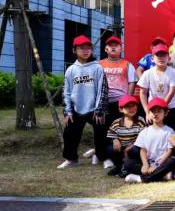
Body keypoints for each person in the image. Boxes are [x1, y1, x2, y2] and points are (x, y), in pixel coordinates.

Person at [57, 35, 111, 170]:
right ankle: (71, 159)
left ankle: (104, 157)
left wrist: (99, 110)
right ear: (74, 50)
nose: (86, 51)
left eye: (88, 48)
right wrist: (67, 112)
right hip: (77, 108)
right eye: (82, 48)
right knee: (70, 133)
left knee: (101, 131)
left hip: (94, 108)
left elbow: (103, 90)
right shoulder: (71, 70)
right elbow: (66, 92)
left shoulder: (97, 68)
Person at [123, 98, 175, 183]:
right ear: (149, 113)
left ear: (166, 113)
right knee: (128, 164)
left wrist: (156, 165)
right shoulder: (145, 131)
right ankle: (162, 176)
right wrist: (145, 165)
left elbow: (169, 151)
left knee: (172, 161)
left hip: (161, 163)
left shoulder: (169, 131)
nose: (155, 114)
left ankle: (140, 178)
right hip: (148, 163)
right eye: (153, 111)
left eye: (159, 111)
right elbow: (143, 149)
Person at [137, 43, 175, 130]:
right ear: (152, 58)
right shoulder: (147, 73)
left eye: (164, 55)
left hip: (170, 108)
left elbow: (172, 91)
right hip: (153, 109)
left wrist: (162, 108)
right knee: (154, 131)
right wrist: (147, 112)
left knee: (171, 133)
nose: (161, 58)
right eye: (158, 55)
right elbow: (142, 93)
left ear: (169, 58)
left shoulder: (173, 72)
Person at [99, 35, 137, 125]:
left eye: (116, 45)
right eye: (110, 45)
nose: (113, 47)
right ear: (106, 49)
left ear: (121, 49)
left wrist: (127, 100)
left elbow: (132, 82)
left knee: (120, 127)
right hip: (103, 102)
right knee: (102, 128)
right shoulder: (99, 64)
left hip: (120, 102)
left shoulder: (127, 64)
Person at [105, 95, 146, 176]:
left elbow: (143, 138)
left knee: (135, 150)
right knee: (110, 149)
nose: (131, 109)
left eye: (133, 106)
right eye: (128, 107)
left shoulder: (140, 120)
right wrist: (115, 140)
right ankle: (119, 166)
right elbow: (111, 134)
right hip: (121, 148)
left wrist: (127, 149)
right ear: (121, 109)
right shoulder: (117, 122)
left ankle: (130, 167)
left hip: (134, 147)